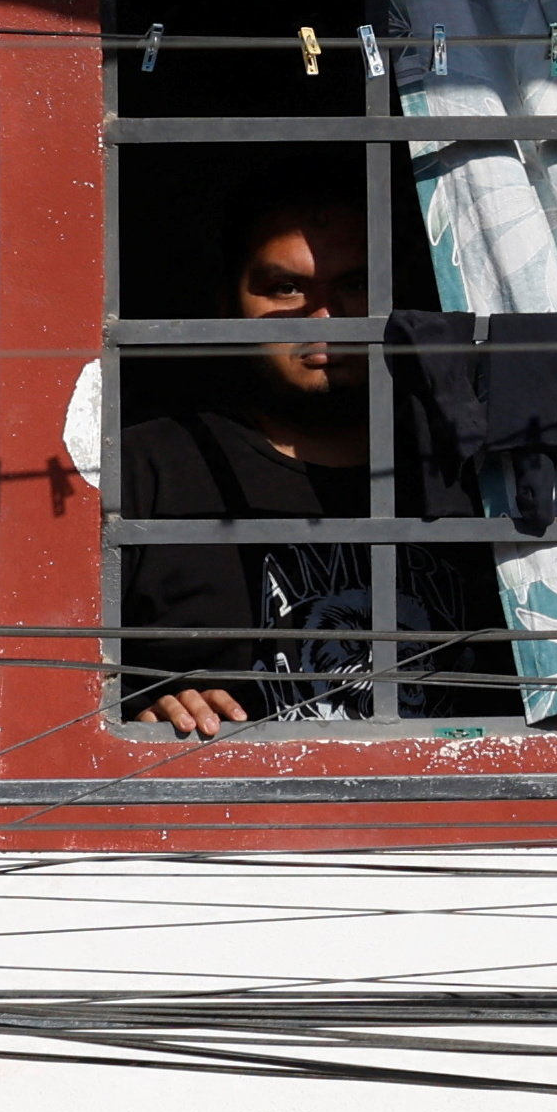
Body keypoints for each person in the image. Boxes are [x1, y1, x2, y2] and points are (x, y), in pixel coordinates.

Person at [118, 186, 507, 733]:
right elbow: (61, 681)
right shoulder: (145, 469)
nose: (326, 315)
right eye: (286, 288)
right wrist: (143, 710)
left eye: (356, 284)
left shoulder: (480, 468)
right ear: (227, 308)